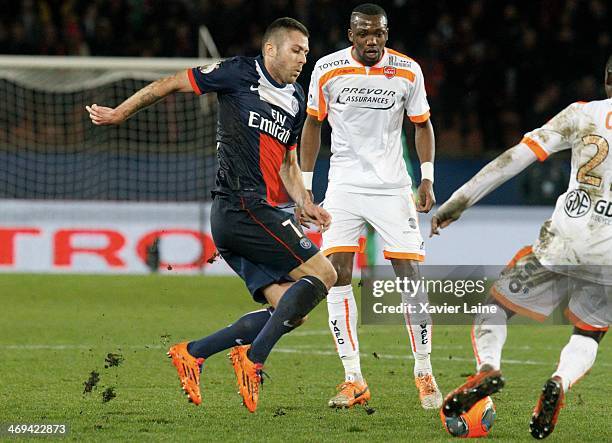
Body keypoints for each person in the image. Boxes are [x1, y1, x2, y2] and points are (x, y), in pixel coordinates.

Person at [86, 17, 337, 413]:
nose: (303, 58)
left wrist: (304, 200)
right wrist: (120, 113)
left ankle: (193, 352)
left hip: (244, 215)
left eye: (306, 52)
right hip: (241, 206)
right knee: (325, 274)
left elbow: (289, 164)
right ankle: (253, 359)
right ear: (270, 49)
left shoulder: (294, 96)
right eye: (296, 50)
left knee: (290, 310)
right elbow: (170, 82)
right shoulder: (237, 72)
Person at [431, 55, 612, 439]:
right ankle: (560, 380)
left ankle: (489, 369)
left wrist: (458, 202)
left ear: (608, 80)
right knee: (588, 333)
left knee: (494, 308)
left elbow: (514, 159)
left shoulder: (582, 113)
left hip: (564, 239)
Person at [300, 3, 442, 409]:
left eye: (379, 32)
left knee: (409, 275)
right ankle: (353, 378)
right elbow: (313, 123)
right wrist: (307, 190)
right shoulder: (327, 69)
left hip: (393, 186)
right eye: (364, 33)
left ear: (386, 33)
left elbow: (422, 124)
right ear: (351, 34)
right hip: (343, 185)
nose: (372, 40)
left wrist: (427, 177)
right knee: (335, 274)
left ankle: (424, 370)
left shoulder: (407, 71)